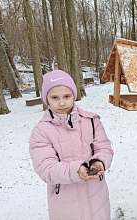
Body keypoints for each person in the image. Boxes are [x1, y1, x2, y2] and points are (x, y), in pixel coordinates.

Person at [29, 70, 114, 220]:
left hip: (96, 198)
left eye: (66, 96)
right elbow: (45, 167)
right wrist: (75, 170)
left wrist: (99, 161)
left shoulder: (92, 121)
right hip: (64, 205)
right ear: (47, 99)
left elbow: (104, 148)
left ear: (73, 95)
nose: (62, 103)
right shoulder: (41, 131)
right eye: (55, 97)